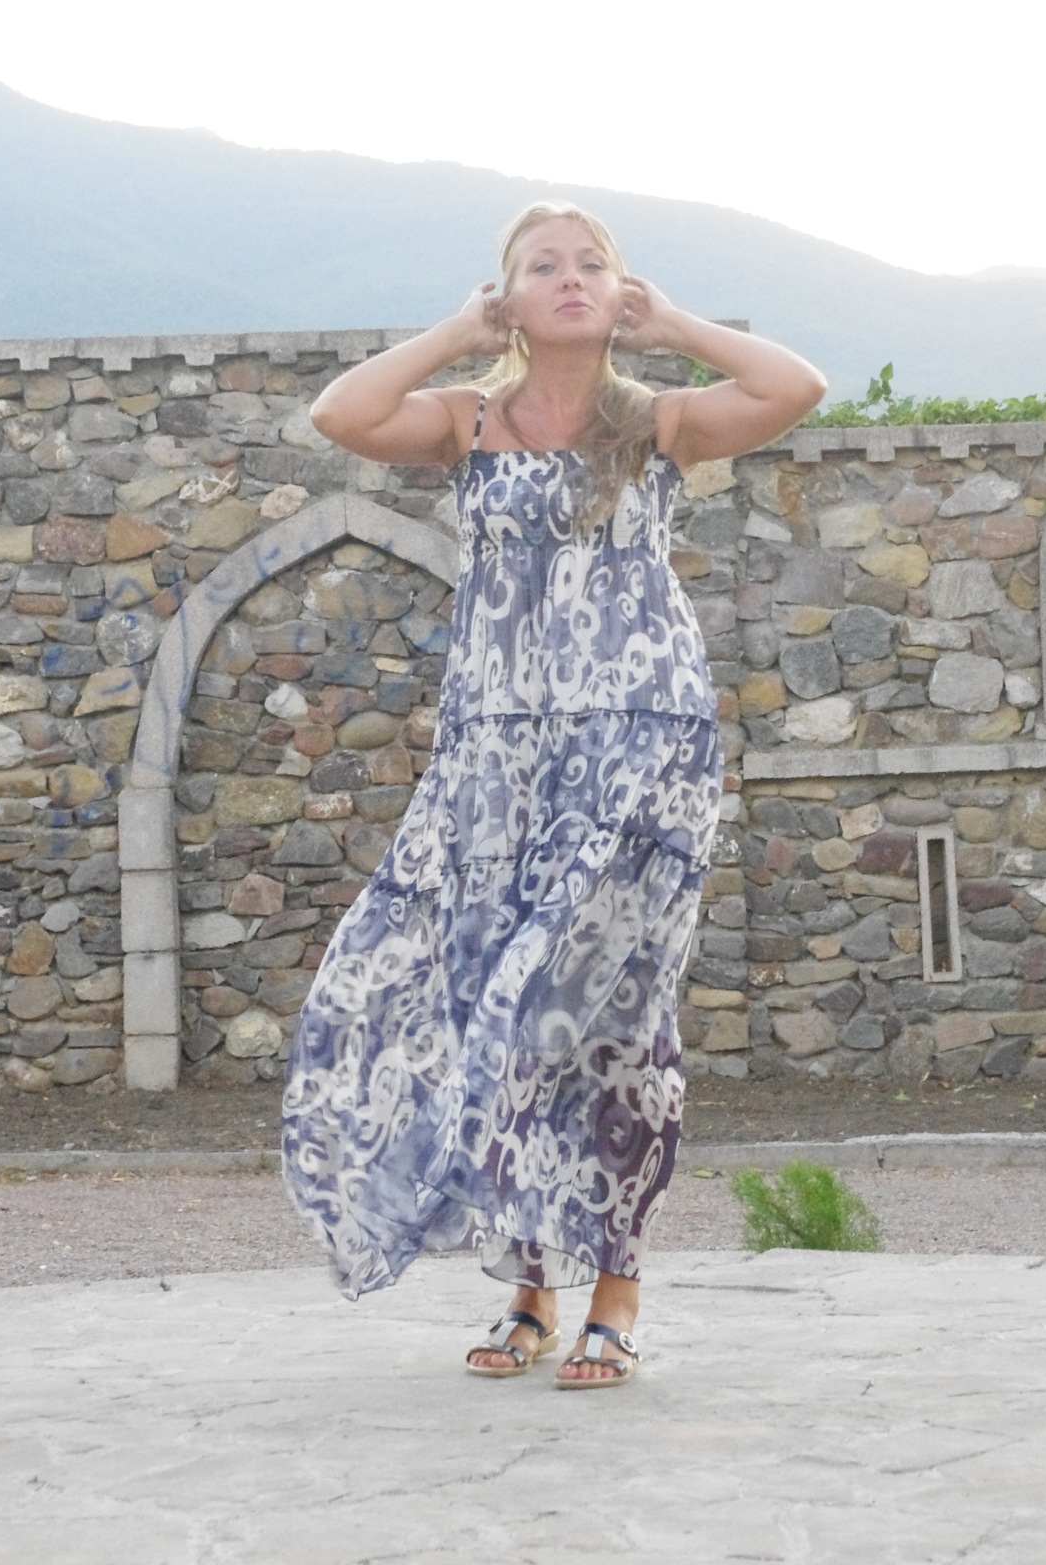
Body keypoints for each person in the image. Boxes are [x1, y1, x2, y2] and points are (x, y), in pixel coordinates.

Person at [281, 203, 825, 1386]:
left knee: (615, 1018)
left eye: (593, 265)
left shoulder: (659, 420)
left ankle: (614, 1288)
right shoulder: (466, 421)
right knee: (504, 1009)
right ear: (509, 296)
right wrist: (453, 332)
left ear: (620, 293)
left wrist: (677, 324)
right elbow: (340, 414)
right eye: (544, 266)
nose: (571, 278)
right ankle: (529, 1285)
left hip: (643, 743)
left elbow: (795, 387)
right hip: (499, 754)